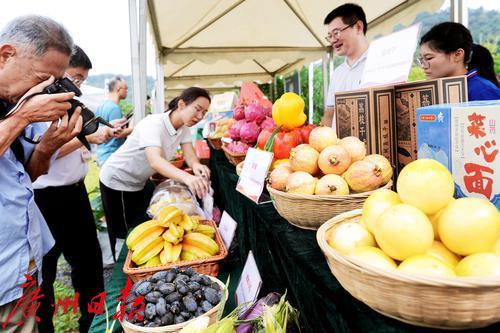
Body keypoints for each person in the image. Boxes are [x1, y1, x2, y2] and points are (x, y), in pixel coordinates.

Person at [0, 15, 82, 332]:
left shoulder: (16, 103)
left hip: (22, 262)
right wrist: (22, 117)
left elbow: (26, 175)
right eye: (41, 79)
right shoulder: (21, 110)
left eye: (53, 83)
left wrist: (47, 146)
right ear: (6, 55)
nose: (45, 91)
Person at [33, 45, 115, 333]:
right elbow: (41, 153)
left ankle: (90, 325)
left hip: (76, 193)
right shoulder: (38, 104)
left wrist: (89, 136)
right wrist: (87, 139)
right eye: (76, 78)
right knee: (44, 273)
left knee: (89, 268)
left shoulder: (70, 105)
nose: (78, 86)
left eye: (82, 80)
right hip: (44, 199)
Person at [99, 87, 211, 260]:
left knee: (144, 226)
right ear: (181, 104)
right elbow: (155, 161)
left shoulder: (183, 128)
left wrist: (197, 167)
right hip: (118, 179)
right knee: (125, 233)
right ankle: (121, 270)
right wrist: (188, 178)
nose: (200, 116)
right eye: (197, 109)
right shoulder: (154, 123)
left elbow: (190, 156)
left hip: (139, 182)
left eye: (204, 113)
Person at [419, 22, 500, 101]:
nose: (423, 66)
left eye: (429, 58)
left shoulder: (483, 91)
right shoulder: (438, 89)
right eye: (422, 60)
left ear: (457, 55)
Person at [321, 3, 370, 127]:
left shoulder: (379, 63)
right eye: (330, 36)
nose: (332, 40)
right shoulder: (338, 73)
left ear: (358, 27)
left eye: (336, 33)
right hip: (338, 145)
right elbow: (330, 114)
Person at [95, 76, 132, 165]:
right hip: (112, 155)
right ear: (118, 89)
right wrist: (133, 129)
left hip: (101, 154)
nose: (127, 91)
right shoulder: (114, 108)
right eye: (126, 89)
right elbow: (117, 133)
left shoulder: (101, 106)